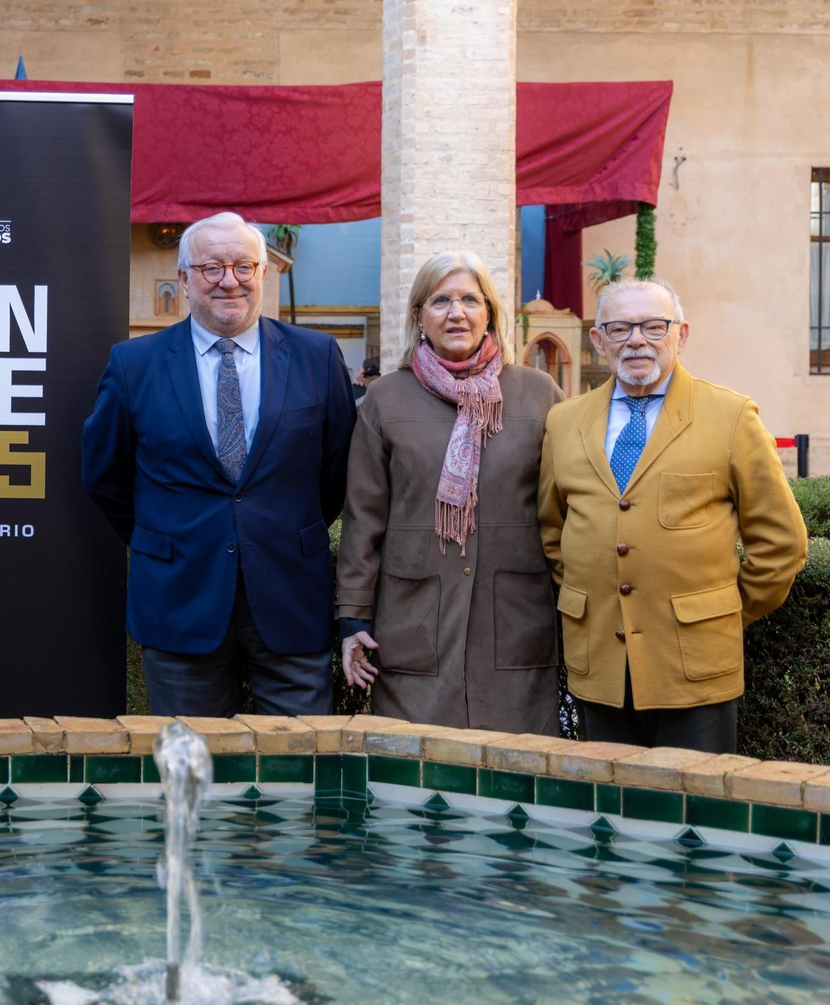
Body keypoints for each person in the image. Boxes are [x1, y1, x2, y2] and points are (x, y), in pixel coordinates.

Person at [82, 211, 354, 718]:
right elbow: (104, 474)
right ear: (184, 279)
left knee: (296, 774)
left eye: (244, 266)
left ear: (264, 273)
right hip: (179, 600)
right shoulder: (133, 365)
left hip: (291, 598)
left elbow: (336, 470)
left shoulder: (317, 356)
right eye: (211, 268)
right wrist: (168, 536)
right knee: (192, 775)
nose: (230, 281)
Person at [539, 277, 807, 752]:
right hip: (598, 661)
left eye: (654, 326)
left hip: (696, 666)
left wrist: (717, 614)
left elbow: (781, 544)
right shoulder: (564, 422)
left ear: (681, 335)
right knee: (612, 809)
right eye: (619, 328)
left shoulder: (731, 416)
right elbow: (554, 532)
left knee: (693, 816)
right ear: (599, 341)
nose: (637, 339)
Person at [336, 251, 564, 732]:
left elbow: (567, 510)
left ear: (490, 313)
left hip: (514, 622)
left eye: (469, 299)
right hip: (414, 624)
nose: (455, 312)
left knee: (515, 778)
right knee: (415, 782)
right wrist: (353, 619)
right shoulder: (386, 398)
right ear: (419, 316)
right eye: (440, 300)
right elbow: (363, 518)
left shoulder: (539, 394)